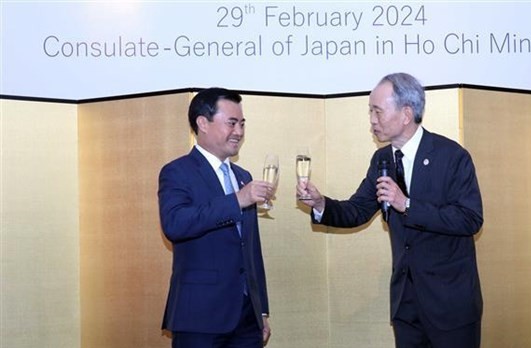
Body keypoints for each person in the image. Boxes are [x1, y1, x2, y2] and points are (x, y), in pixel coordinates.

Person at [297, 73, 484, 347]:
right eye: (370, 111)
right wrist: (321, 204)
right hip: (406, 305)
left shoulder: (452, 156)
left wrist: (406, 204)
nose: (372, 120)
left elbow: (470, 219)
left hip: (450, 306)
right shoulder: (382, 158)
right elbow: (358, 210)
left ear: (406, 113)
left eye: (377, 111)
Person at [158, 88, 272, 348]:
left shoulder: (243, 176)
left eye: (242, 124)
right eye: (231, 123)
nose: (239, 132)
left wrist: (261, 310)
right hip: (199, 316)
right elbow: (175, 224)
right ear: (202, 123)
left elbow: (251, 250)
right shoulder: (177, 172)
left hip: (246, 318)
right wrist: (237, 201)